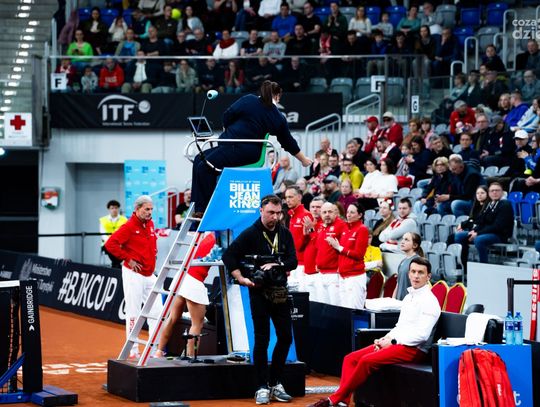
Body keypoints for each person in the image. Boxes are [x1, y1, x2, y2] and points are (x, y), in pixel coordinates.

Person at [309, 257, 441, 407]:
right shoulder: (408, 297)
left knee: (366, 361)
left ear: (428, 276)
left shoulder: (430, 301)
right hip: (399, 344)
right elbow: (400, 326)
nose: (416, 276)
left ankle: (333, 399)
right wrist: (385, 338)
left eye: (421, 272)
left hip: (415, 349)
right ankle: (343, 402)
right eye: (413, 271)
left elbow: (422, 336)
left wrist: (392, 342)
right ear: (409, 274)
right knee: (350, 359)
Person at [191, 80, 312, 215]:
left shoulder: (254, 102)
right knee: (198, 160)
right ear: (277, 96)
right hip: (230, 146)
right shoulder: (275, 115)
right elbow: (288, 142)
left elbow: (227, 116)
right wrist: (303, 159)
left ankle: (204, 210)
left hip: (243, 150)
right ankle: (195, 206)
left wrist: (228, 130)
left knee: (204, 167)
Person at [221, 195, 297, 405]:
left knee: (285, 337)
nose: (275, 217)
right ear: (261, 211)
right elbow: (228, 256)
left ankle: (275, 382)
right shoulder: (250, 233)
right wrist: (240, 278)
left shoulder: (285, 233)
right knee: (262, 340)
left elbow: (293, 260)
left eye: (278, 213)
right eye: (271, 212)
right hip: (259, 293)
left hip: (280, 292)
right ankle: (261, 386)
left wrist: (277, 265)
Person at [104, 195, 163, 359]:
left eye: (151, 209)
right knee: (133, 312)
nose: (149, 212)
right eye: (146, 209)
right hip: (133, 274)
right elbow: (110, 244)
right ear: (137, 209)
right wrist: (128, 259)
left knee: (157, 311)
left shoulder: (150, 224)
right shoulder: (129, 226)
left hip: (150, 274)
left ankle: (154, 349)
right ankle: (133, 350)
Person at [154, 232, 215, 359]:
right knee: (197, 324)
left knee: (172, 318)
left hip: (182, 277)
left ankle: (159, 352)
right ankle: (190, 358)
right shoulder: (221, 239)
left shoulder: (207, 236)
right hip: (194, 281)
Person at [453, 182, 514, 265]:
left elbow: (497, 226)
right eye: (492, 191)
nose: (494, 192)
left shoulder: (505, 204)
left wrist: (478, 233)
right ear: (489, 193)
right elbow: (481, 220)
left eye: (497, 190)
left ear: (502, 192)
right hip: (487, 232)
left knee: (479, 239)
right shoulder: (490, 204)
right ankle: (463, 264)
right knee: (459, 235)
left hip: (500, 235)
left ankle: (483, 265)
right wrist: (474, 230)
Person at [325, 202, 369, 309]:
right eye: (348, 212)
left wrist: (339, 247)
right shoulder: (345, 228)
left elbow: (359, 255)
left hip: (355, 277)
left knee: (354, 310)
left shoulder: (362, 229)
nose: (348, 215)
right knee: (344, 310)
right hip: (343, 276)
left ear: (360, 215)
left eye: (352, 212)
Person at [284, 185, 313, 291]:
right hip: (294, 262)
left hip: (301, 264)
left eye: (290, 197)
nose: (287, 200)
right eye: (286, 197)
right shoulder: (292, 216)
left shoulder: (306, 215)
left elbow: (308, 241)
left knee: (300, 295)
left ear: (299, 197)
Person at [392, 232, 424, 300]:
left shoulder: (417, 261)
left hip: (410, 302)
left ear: (414, 245)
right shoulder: (402, 261)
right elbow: (398, 284)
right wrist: (393, 299)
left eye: (406, 240)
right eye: (403, 239)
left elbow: (419, 286)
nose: (402, 242)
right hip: (399, 302)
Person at [99, 200, 128, 268]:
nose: (114, 210)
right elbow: (103, 234)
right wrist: (112, 242)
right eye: (112, 208)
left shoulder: (124, 220)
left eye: (116, 208)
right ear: (109, 209)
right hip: (107, 244)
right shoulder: (103, 220)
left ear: (118, 209)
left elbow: (126, 233)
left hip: (120, 244)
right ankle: (117, 265)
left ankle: (115, 265)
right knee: (111, 248)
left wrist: (119, 243)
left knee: (124, 249)